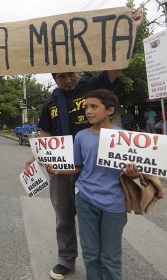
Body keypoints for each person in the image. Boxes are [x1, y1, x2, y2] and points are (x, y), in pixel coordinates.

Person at [24, 10, 143, 279]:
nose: (67, 79)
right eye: (60, 76)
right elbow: (44, 132)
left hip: (95, 166)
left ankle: (104, 262)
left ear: (77, 70)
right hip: (62, 167)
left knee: (98, 215)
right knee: (64, 217)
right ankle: (66, 260)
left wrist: (131, 30)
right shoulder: (50, 102)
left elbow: (116, 66)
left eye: (70, 73)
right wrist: (37, 155)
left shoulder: (94, 88)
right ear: (54, 79)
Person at [46, 89, 139, 280]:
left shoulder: (124, 138)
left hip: (114, 205)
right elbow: (78, 167)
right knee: (90, 253)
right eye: (86, 107)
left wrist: (132, 173)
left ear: (110, 110)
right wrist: (58, 170)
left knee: (111, 257)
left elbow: (133, 172)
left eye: (94, 107)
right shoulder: (81, 136)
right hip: (86, 201)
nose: (88, 111)